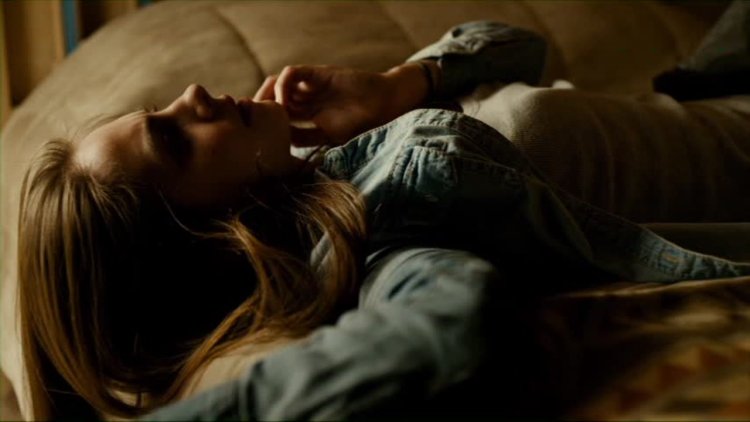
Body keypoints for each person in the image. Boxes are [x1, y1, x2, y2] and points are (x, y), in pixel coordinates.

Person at [17, 12, 750, 421]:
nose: (195, 95)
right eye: (174, 140)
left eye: (161, 108)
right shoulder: (382, 224)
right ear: (206, 243)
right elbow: (439, 331)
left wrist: (400, 84)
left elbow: (520, 46)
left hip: (699, 84)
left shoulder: (340, 150)